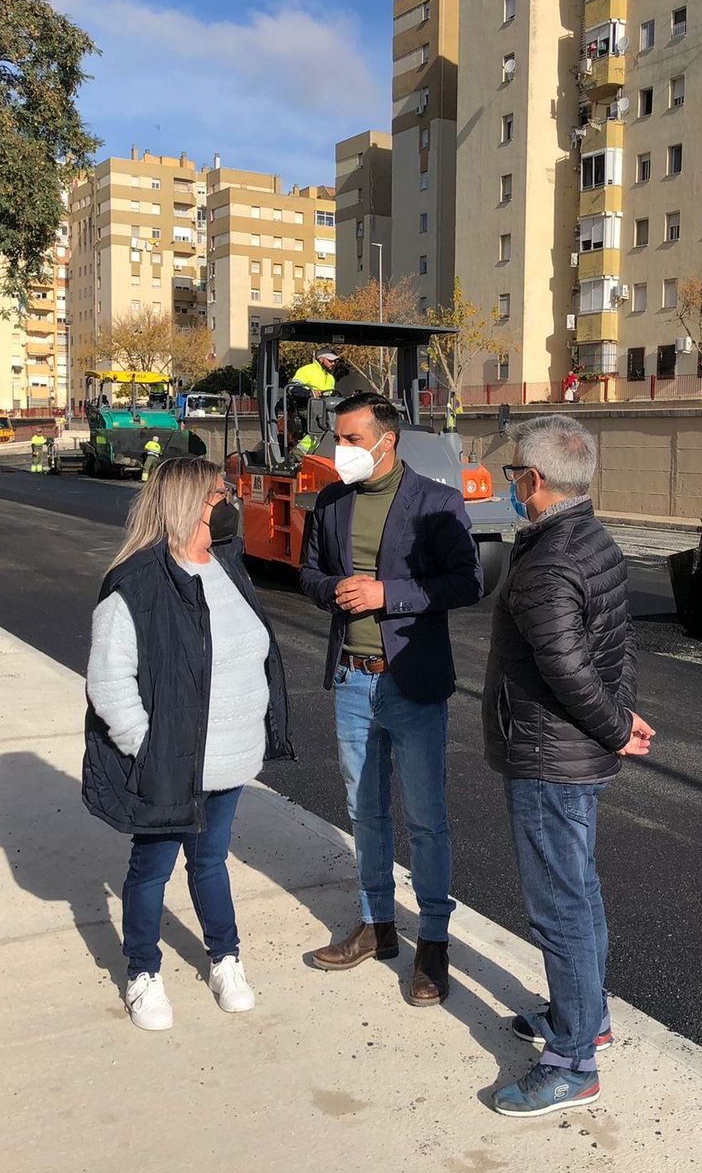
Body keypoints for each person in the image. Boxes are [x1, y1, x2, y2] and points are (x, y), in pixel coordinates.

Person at [83, 457, 294, 1031]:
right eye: (220, 493)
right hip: (171, 762)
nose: (229, 500)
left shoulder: (226, 566)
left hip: (229, 760)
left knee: (211, 861)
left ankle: (225, 958)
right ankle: (142, 971)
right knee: (152, 869)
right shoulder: (139, 582)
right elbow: (107, 680)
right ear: (189, 502)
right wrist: (147, 746)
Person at [483, 414, 653, 1118]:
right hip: (575, 749)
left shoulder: (549, 560)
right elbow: (616, 643)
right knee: (577, 891)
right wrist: (622, 717)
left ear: (535, 480)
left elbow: (567, 666)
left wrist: (614, 726)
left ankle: (572, 1060)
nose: (509, 487)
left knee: (558, 906)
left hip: (553, 757)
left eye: (512, 476)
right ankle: (587, 1017)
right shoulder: (594, 539)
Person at [299, 392, 483, 1006]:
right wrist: (336, 590)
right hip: (352, 680)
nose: (340, 451)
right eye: (337, 439)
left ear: (387, 440)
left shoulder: (437, 501)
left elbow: (467, 581)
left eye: (351, 440)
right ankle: (377, 926)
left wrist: (389, 595)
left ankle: (433, 940)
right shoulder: (331, 502)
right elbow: (309, 575)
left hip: (411, 681)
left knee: (427, 820)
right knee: (364, 812)